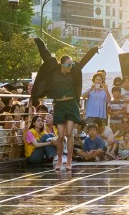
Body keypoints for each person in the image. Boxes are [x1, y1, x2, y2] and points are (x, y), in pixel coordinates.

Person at [31, 38, 98, 171]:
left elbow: (83, 61)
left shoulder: (74, 71)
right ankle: (60, 159)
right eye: (68, 65)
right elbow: (46, 55)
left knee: (69, 133)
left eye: (71, 64)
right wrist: (39, 42)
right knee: (60, 136)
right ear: (61, 65)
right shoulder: (54, 70)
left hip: (71, 104)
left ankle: (69, 161)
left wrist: (92, 51)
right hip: (60, 106)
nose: (70, 67)